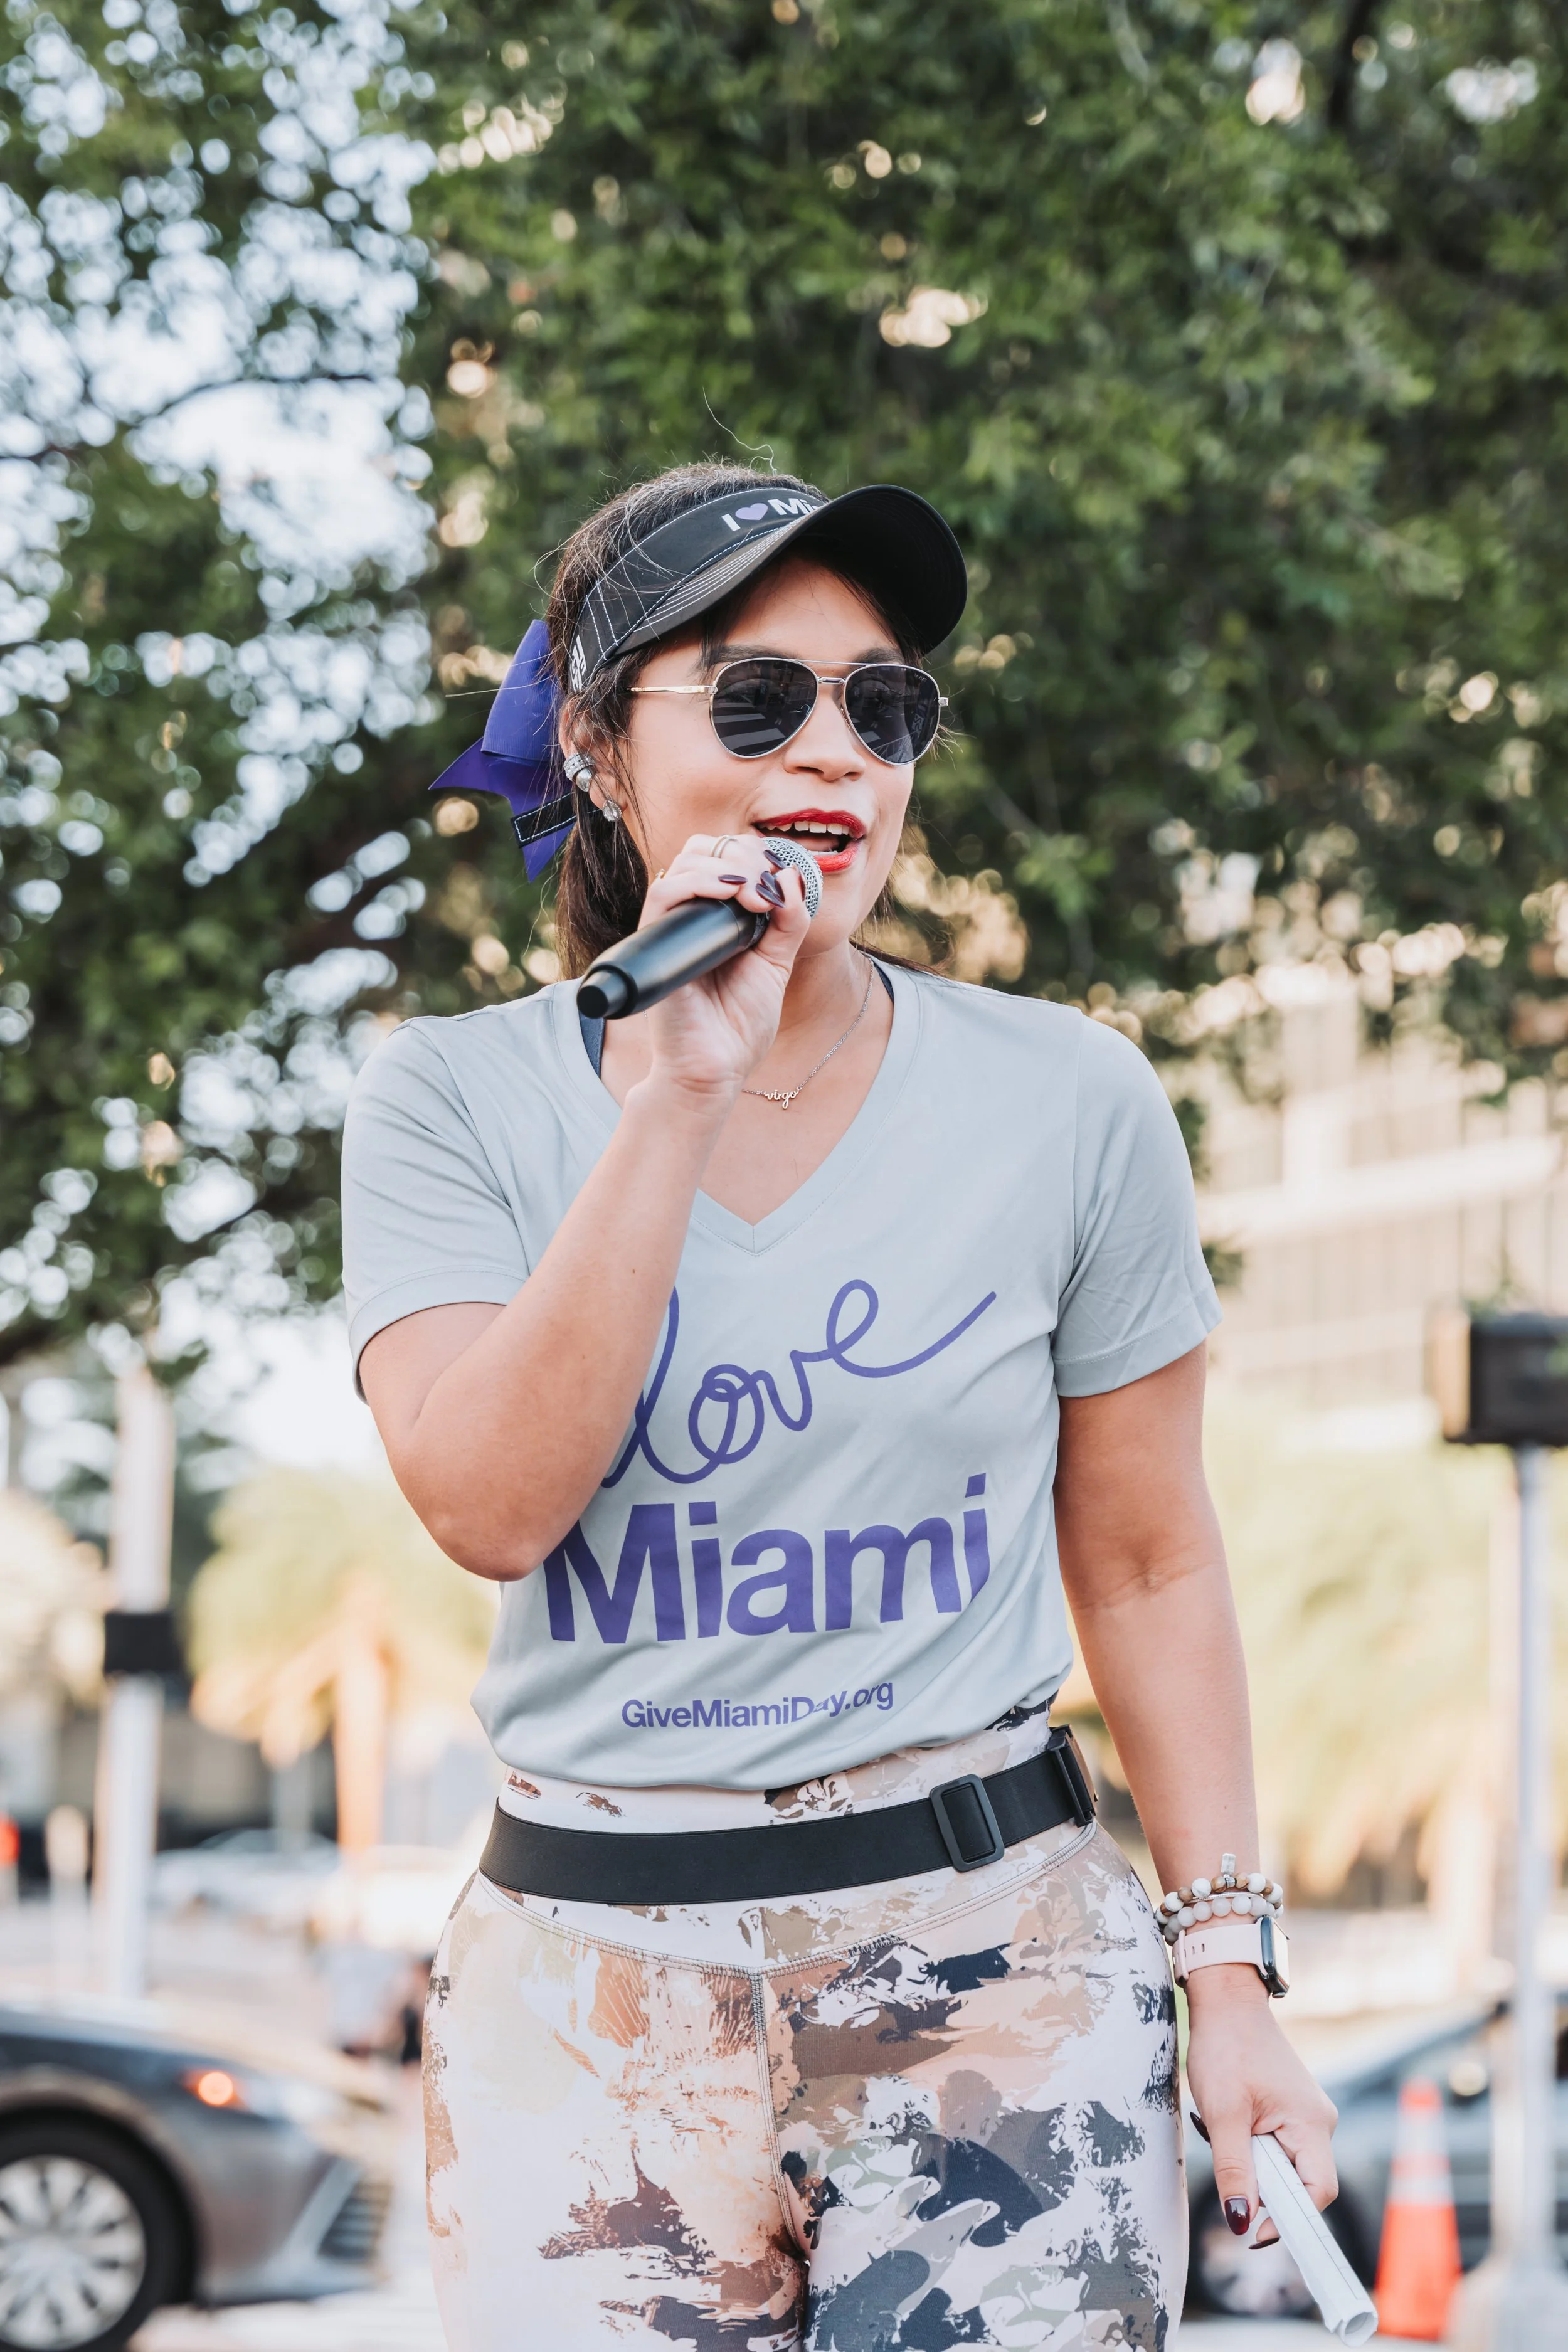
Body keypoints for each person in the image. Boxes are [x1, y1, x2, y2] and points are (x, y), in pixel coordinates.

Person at [343, 461, 1336, 2351]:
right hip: (590, 1985)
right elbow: (487, 1502)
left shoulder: (1069, 1097)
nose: (833, 749)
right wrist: (673, 1100)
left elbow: (1142, 1556)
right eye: (752, 697)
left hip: (995, 1969)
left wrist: (1231, 1977)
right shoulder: (450, 1102)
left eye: (881, 706)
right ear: (601, 752)